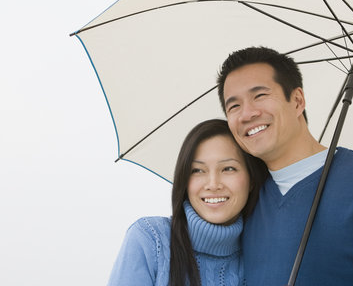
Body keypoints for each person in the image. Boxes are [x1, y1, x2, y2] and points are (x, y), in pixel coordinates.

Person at [217, 46, 353, 286]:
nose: (247, 114)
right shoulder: (243, 200)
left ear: (297, 101)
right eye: (234, 106)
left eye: (259, 95)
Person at [107, 119, 267, 286]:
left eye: (228, 169)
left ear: (252, 179)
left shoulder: (267, 258)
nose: (213, 184)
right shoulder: (149, 240)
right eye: (197, 170)